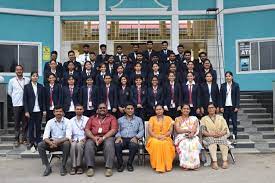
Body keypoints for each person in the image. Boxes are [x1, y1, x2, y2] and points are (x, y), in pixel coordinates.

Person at [84, 103, 118, 177]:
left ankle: (108, 168)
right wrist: (93, 138)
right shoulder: (92, 118)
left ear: (107, 109)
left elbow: (113, 130)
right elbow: (87, 129)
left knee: (109, 143)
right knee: (88, 144)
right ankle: (90, 168)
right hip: (94, 137)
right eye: (100, 108)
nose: (102, 109)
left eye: (104, 108)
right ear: (97, 110)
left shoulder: (112, 118)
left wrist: (103, 138)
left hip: (107, 137)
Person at [37, 106, 71, 176]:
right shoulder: (50, 122)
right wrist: (50, 142)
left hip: (62, 143)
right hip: (52, 143)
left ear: (63, 113)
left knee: (67, 144)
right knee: (40, 145)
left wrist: (57, 142)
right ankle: (47, 167)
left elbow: (68, 137)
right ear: (54, 113)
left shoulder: (67, 121)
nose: (59, 113)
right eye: (57, 111)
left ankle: (63, 166)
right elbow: (45, 137)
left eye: (60, 111)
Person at [115, 103, 144, 172]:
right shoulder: (120, 120)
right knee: (117, 145)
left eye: (132, 109)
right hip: (122, 138)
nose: (130, 110)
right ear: (125, 109)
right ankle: (120, 164)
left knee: (133, 145)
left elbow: (141, 131)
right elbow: (117, 130)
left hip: (133, 138)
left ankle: (129, 164)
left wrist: (136, 137)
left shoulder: (139, 119)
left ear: (134, 110)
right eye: (128, 109)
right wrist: (118, 137)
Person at [200, 103, 230, 170]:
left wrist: (220, 134)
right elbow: (203, 131)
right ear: (207, 110)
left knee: (223, 141)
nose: (211, 109)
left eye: (212, 107)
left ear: (215, 109)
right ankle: (214, 161)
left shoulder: (221, 118)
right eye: (209, 108)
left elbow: (225, 129)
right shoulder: (204, 119)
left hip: (220, 135)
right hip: (209, 136)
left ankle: (225, 161)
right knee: (212, 142)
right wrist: (212, 134)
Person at [146, 105, 175, 173]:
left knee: (166, 144)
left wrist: (164, 136)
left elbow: (170, 131)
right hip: (154, 137)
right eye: (157, 110)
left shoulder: (168, 118)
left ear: (163, 110)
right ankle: (157, 165)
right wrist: (156, 136)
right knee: (157, 143)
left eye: (160, 109)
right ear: (155, 111)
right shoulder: (152, 118)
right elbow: (150, 131)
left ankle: (166, 166)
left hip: (166, 137)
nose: (158, 111)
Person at [174, 104, 202, 170]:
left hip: (192, 135)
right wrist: (187, 130)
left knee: (194, 143)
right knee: (185, 144)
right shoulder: (177, 119)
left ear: (189, 110)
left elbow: (194, 129)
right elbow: (178, 130)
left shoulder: (194, 118)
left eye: (187, 109)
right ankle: (185, 165)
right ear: (181, 110)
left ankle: (194, 165)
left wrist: (192, 134)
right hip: (181, 136)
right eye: (184, 108)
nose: (186, 110)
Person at [8, 65, 30, 146]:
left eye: (20, 69)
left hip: (25, 105)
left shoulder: (27, 80)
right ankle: (16, 139)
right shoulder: (12, 81)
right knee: (16, 123)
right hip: (16, 104)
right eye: (17, 70)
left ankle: (24, 139)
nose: (19, 71)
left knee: (25, 123)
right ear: (15, 71)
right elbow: (9, 92)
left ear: (23, 70)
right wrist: (15, 98)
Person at [23, 71, 46, 150]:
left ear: (38, 78)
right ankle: (32, 142)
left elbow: (43, 99)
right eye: (33, 76)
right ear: (31, 77)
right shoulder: (27, 87)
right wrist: (26, 111)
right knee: (31, 127)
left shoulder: (41, 86)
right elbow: (25, 100)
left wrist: (44, 110)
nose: (35, 77)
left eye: (36, 76)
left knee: (38, 127)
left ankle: (38, 142)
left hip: (39, 110)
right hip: (30, 111)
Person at [69, 105, 89, 175]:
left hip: (83, 138)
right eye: (77, 109)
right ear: (75, 110)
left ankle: (79, 166)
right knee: (73, 145)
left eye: (80, 109)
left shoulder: (87, 119)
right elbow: (69, 132)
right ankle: (74, 166)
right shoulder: (71, 120)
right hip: (74, 138)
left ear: (83, 110)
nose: (79, 110)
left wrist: (86, 138)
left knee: (79, 145)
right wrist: (70, 139)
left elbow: (90, 130)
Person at [220, 71, 240, 139]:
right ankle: (227, 135)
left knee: (234, 122)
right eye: (226, 76)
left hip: (233, 107)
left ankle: (235, 135)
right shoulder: (223, 85)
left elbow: (238, 96)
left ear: (232, 77)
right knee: (226, 122)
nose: (228, 77)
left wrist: (237, 106)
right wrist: (221, 106)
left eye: (229, 76)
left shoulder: (236, 85)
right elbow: (221, 97)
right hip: (225, 107)